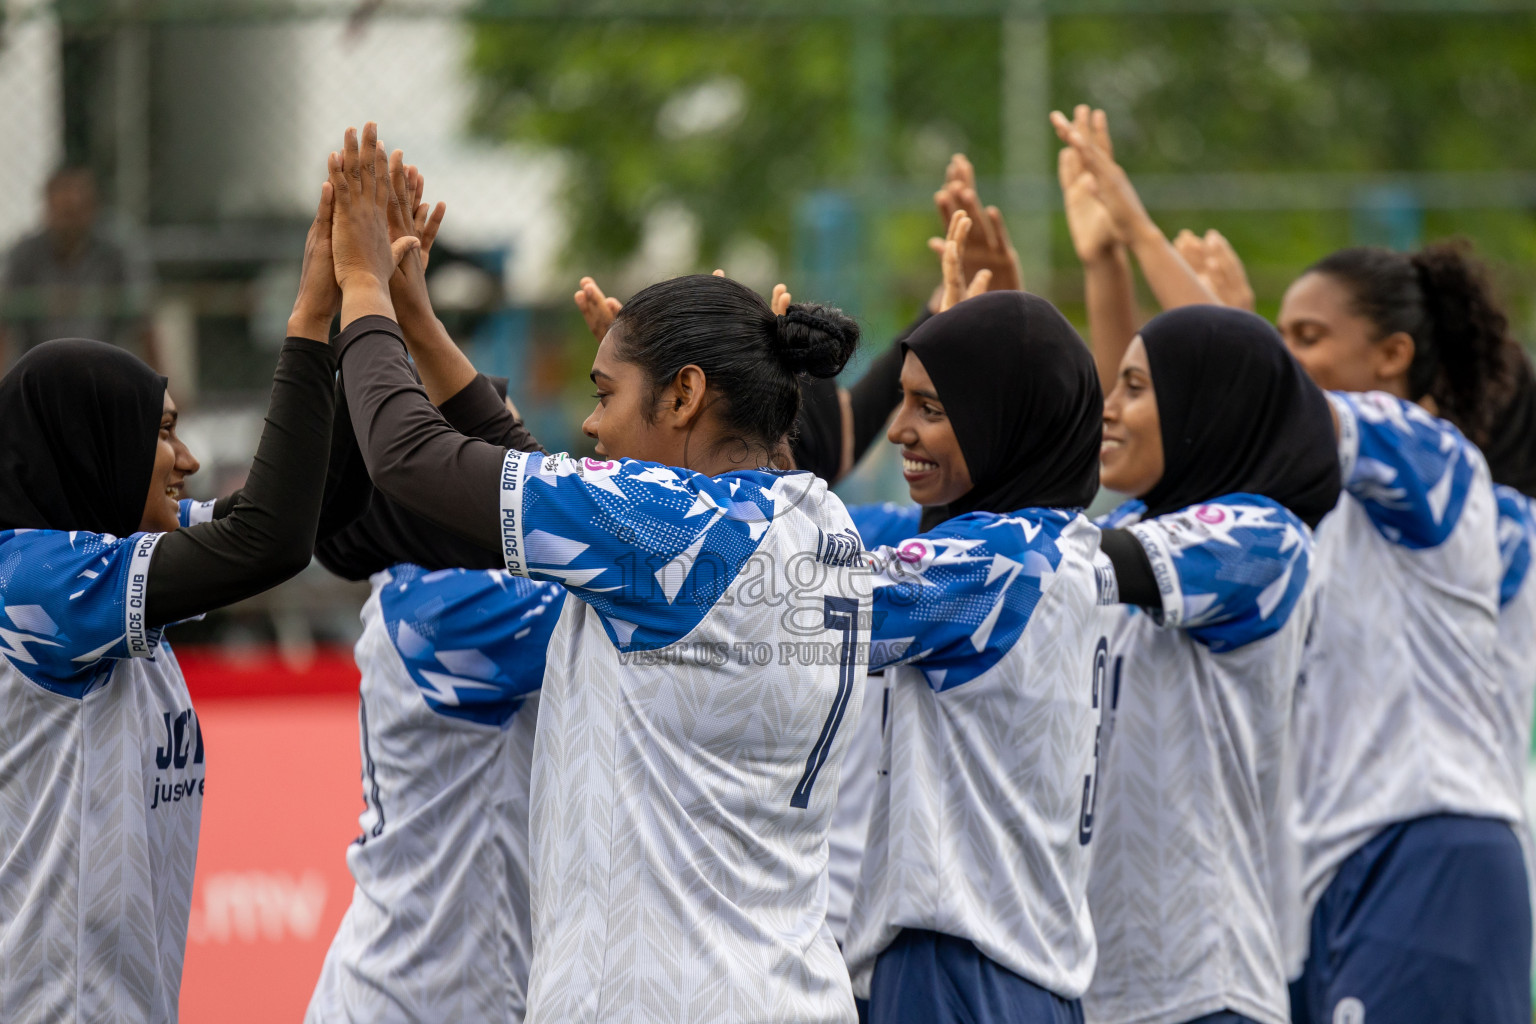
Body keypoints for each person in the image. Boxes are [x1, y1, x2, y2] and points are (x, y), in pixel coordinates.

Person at [328, 122, 869, 1023]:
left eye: (605, 394)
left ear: (686, 394)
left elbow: (410, 461)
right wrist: (419, 321)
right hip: (790, 989)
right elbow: (534, 479)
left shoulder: (665, 534)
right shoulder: (820, 521)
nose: (591, 427)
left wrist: (357, 291)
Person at [0, 176, 393, 1022]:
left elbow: (313, 506)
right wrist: (311, 318)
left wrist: (382, 307)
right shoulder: (37, 586)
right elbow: (269, 539)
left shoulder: (113, 556)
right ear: (94, 449)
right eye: (164, 431)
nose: (185, 460)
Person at [839, 287, 1106, 1024]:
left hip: (959, 963)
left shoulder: (989, 561)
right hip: (1026, 974)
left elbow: (775, 610)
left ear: (1005, 416)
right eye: (901, 401)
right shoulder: (1067, 547)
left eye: (932, 407)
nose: (898, 430)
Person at [1083, 305, 1338, 1024]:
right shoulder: (1121, 526)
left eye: (1134, 387)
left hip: (1203, 987)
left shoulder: (1268, 538)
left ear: (1209, 406)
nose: (1110, 409)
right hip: (1091, 985)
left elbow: (1069, 563)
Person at [0, 166, 155, 368]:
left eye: (76, 211)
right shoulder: (25, 254)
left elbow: (144, 319)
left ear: (92, 208)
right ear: (48, 208)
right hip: (39, 369)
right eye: (63, 212)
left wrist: (162, 387)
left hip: (105, 366)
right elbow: (4, 320)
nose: (69, 223)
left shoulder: (115, 253)